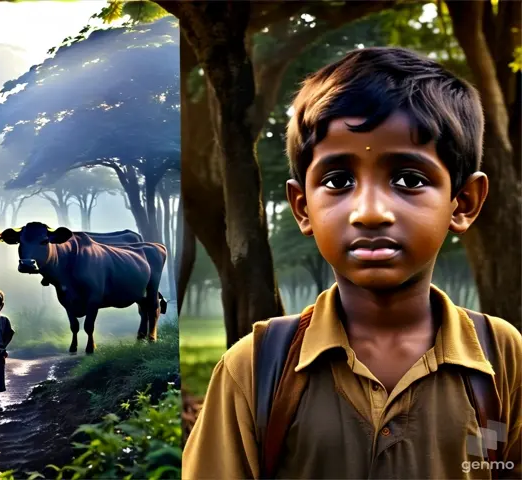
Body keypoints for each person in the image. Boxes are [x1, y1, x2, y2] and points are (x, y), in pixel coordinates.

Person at [182, 47, 521, 479]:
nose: (370, 211)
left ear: (463, 202)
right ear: (302, 207)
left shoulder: (502, 358)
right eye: (338, 180)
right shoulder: (256, 368)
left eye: (409, 180)